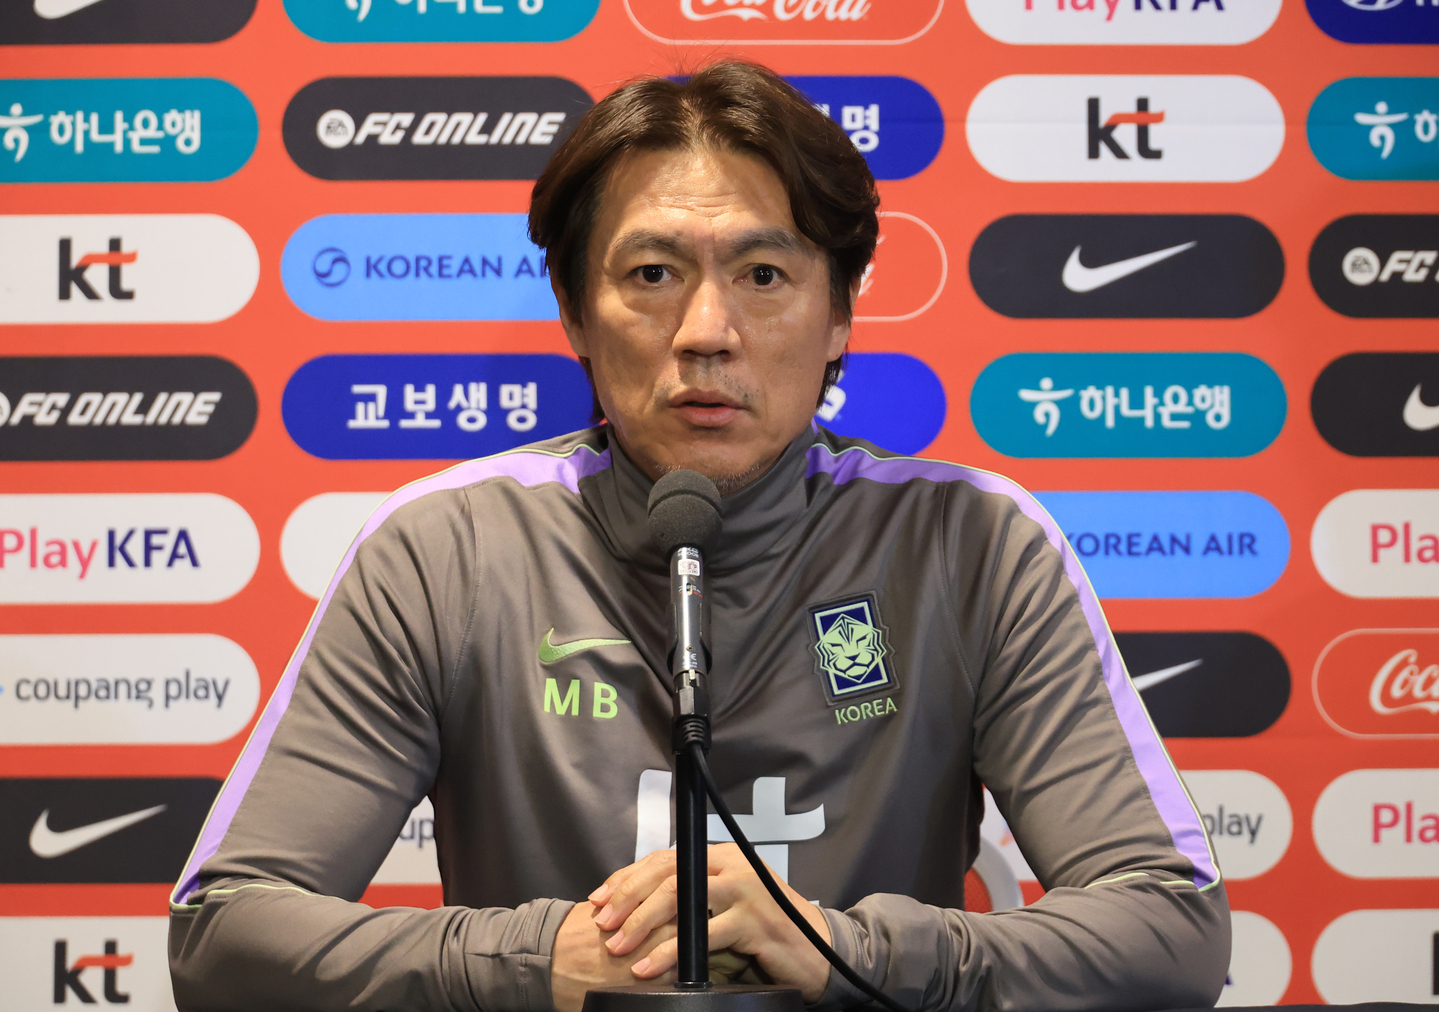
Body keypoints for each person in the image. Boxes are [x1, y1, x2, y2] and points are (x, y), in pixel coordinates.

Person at [168, 61, 1229, 1012]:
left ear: (841, 315)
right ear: (575, 318)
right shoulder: (444, 551)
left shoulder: (971, 543)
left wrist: (843, 952)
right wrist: (535, 961)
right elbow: (225, 931)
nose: (705, 331)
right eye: (650, 274)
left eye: (763, 276)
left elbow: (1171, 931)